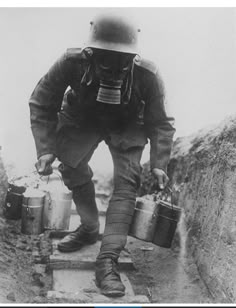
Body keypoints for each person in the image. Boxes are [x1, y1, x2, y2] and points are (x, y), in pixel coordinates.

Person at [29, 12, 176, 297]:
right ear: (90, 52)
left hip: (128, 123)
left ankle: (107, 261)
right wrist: (46, 150)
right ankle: (89, 226)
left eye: (121, 61)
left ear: (133, 57)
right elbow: (41, 103)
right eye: (104, 59)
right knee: (71, 166)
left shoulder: (147, 74)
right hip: (82, 117)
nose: (113, 67)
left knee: (127, 183)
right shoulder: (70, 63)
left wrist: (159, 164)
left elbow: (160, 122)